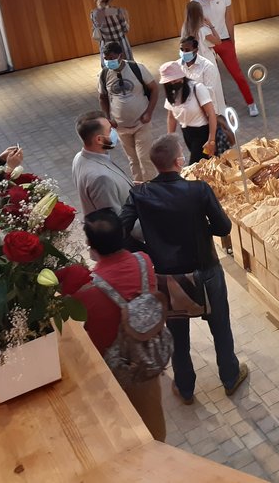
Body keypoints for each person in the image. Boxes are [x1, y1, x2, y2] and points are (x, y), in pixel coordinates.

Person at [120, 134, 247, 403]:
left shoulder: (140, 194)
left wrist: (147, 250)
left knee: (178, 335)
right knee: (220, 326)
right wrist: (202, 230)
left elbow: (121, 231)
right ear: (179, 161)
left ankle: (185, 387)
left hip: (167, 277)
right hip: (205, 271)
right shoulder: (198, 190)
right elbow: (224, 227)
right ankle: (230, 376)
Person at [72, 209, 166, 441]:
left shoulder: (87, 290)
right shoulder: (143, 261)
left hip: (115, 367)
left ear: (90, 245)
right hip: (148, 354)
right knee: (154, 423)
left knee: (125, 432)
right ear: (123, 233)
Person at [191, 0, 258, 117]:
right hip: (208, 42)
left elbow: (228, 19)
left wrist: (232, 40)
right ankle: (221, 106)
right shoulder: (194, 2)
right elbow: (194, 25)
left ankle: (251, 103)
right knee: (213, 77)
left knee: (237, 74)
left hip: (224, 40)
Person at [97, 41, 159, 183]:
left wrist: (149, 112)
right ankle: (139, 188)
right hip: (121, 126)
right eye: (106, 59)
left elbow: (154, 89)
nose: (109, 61)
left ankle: (152, 188)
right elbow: (102, 97)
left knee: (145, 158)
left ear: (121, 55)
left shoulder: (137, 68)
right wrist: (107, 118)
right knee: (133, 160)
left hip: (141, 123)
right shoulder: (104, 74)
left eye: (112, 58)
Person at [72, 111, 134, 217]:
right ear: (99, 139)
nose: (114, 131)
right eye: (110, 130)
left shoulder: (79, 157)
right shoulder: (101, 178)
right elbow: (117, 219)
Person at [158, 61, 217, 164]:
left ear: (181, 77)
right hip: (187, 133)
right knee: (205, 165)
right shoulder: (172, 93)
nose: (172, 84)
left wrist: (211, 140)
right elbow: (171, 117)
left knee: (196, 164)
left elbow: (211, 114)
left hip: (202, 133)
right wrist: (170, 139)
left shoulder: (197, 88)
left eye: (174, 80)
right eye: (169, 82)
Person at [178, 36, 226, 115]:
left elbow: (208, 93)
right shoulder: (177, 66)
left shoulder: (207, 67)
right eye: (181, 49)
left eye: (187, 50)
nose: (183, 53)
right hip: (186, 113)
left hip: (205, 112)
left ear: (196, 50)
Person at [181, 0, 223, 84]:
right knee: (212, 86)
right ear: (200, 13)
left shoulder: (184, 29)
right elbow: (218, 41)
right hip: (207, 60)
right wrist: (211, 25)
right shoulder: (203, 30)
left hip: (192, 62)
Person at [90, 0, 132, 64]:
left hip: (107, 47)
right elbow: (125, 29)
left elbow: (96, 32)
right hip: (121, 45)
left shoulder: (94, 14)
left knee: (109, 67)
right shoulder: (119, 11)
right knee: (127, 64)